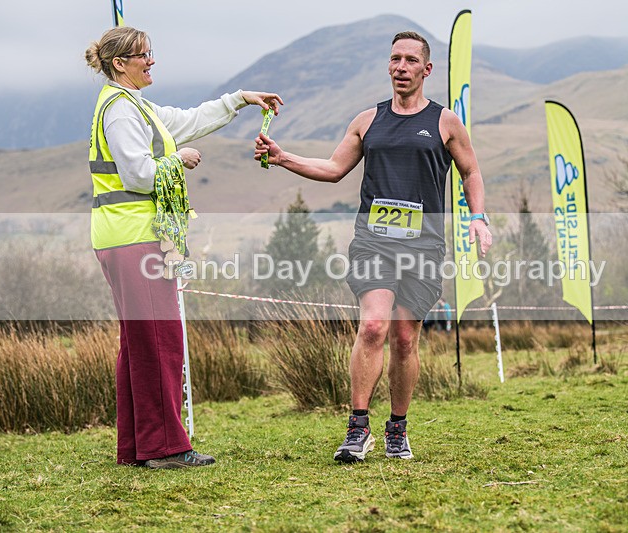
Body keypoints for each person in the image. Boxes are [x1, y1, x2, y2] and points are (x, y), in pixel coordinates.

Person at [255, 31, 492, 462]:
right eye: (395, 59)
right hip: (373, 242)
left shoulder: (445, 122)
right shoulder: (368, 120)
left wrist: (478, 217)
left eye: (410, 60)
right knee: (373, 327)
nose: (401, 67)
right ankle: (357, 428)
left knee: (404, 339)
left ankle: (397, 429)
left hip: (423, 246)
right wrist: (283, 157)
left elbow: (471, 172)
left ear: (426, 69)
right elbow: (333, 168)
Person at [85, 26, 282, 469]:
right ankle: (166, 449)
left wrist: (241, 99)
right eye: (143, 54)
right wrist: (179, 159)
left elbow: (189, 120)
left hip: (125, 236)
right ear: (120, 63)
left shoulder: (133, 104)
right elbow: (137, 174)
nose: (151, 60)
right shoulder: (121, 111)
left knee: (140, 342)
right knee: (161, 340)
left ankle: (138, 447)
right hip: (135, 236)